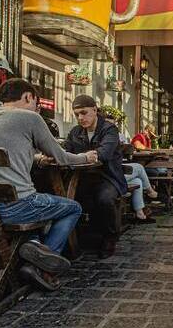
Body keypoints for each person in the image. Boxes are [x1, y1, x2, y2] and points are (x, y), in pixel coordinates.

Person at [0, 78, 97, 291]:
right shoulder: (30, 118)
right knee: (72, 208)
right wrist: (86, 157)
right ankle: (43, 264)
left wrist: (35, 159)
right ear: (28, 96)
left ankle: (34, 245)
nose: (37, 108)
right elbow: (62, 158)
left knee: (36, 206)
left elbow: (4, 152)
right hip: (12, 209)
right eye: (36, 102)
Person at [65, 95, 128, 258]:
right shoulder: (75, 131)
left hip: (107, 177)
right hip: (82, 178)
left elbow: (104, 154)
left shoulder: (109, 129)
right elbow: (65, 151)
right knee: (65, 197)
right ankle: (73, 238)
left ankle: (110, 237)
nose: (80, 118)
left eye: (84, 113)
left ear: (95, 110)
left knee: (104, 199)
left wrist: (77, 156)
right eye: (77, 114)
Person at [104, 113, 157, 224]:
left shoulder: (116, 136)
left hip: (116, 170)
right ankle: (150, 191)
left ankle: (140, 214)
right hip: (108, 176)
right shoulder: (104, 138)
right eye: (108, 124)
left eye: (113, 125)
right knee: (138, 167)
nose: (111, 127)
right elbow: (136, 146)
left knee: (137, 181)